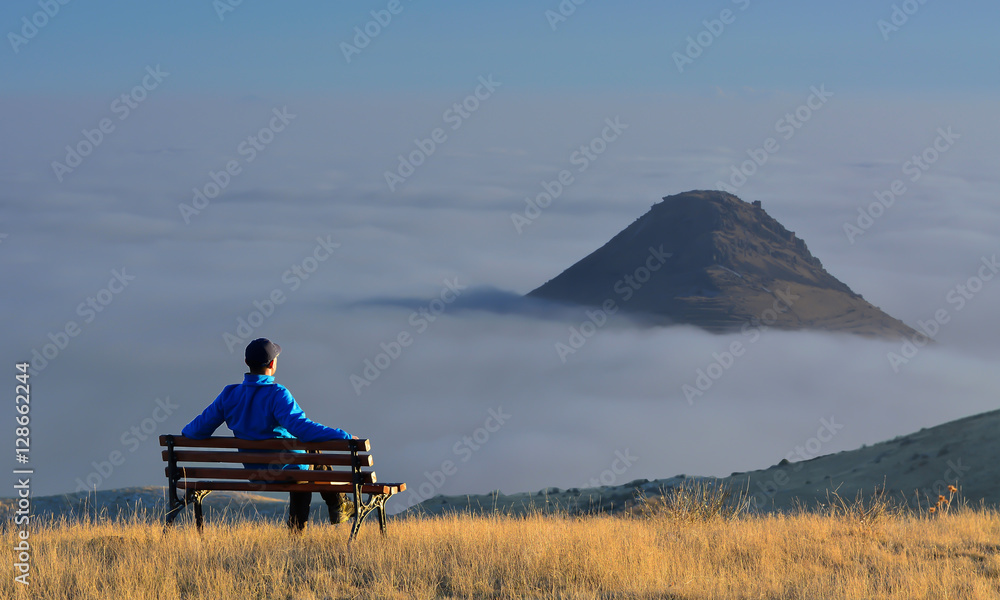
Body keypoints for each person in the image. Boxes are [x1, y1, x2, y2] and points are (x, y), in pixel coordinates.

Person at [181, 337, 354, 531]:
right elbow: (301, 428)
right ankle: (334, 507)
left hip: (255, 474)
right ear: (272, 363)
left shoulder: (229, 394)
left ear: (247, 363)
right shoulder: (277, 394)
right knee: (308, 460)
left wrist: (185, 431)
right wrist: (343, 436)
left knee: (305, 461)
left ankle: (337, 505)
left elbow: (195, 431)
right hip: (285, 471)